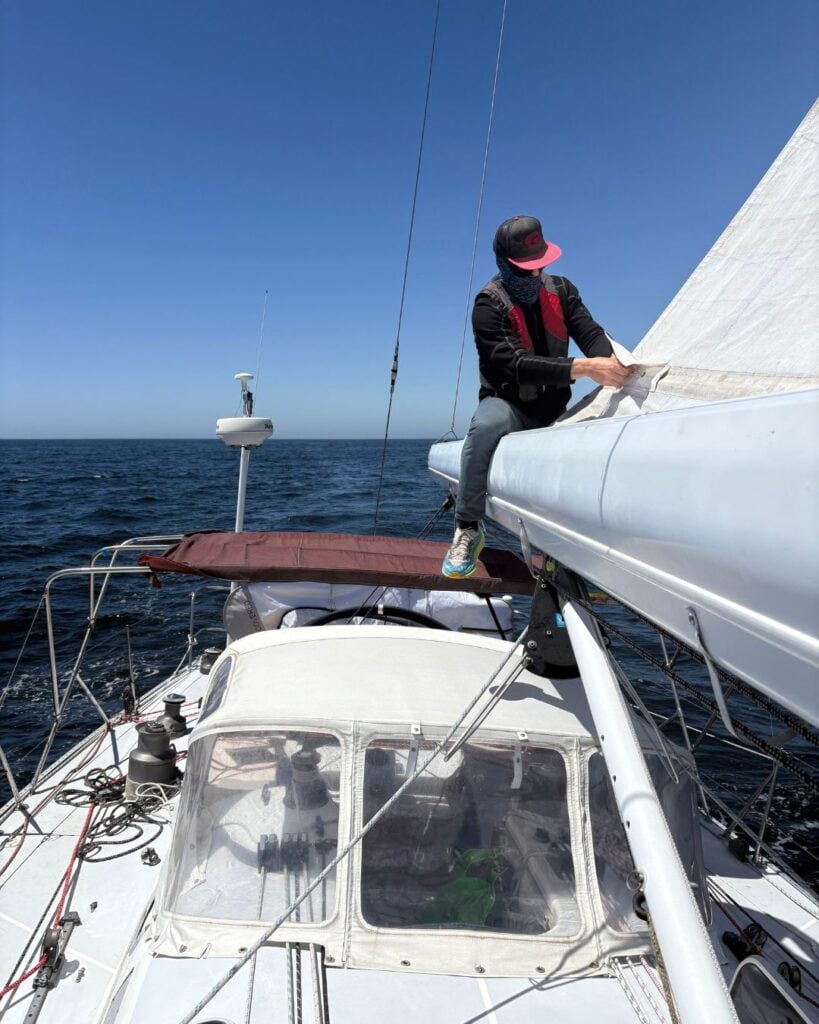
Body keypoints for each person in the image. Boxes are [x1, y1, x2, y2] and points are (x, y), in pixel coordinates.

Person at [441, 215, 635, 578]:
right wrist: (583, 368)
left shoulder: (562, 291)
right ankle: (468, 526)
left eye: (540, 266)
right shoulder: (488, 305)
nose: (534, 275)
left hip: (557, 407)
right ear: (504, 264)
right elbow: (513, 364)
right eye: (525, 268)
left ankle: (585, 553)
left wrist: (617, 362)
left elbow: (589, 332)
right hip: (509, 405)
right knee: (484, 428)